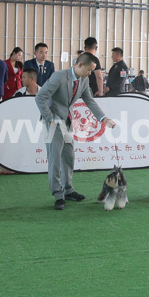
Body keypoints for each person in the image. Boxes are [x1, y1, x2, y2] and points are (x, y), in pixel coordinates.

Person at [35, 52, 116, 209]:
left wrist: (104, 119)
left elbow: (90, 101)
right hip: (53, 122)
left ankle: (68, 190)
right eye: (89, 70)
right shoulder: (59, 76)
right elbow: (40, 97)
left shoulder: (83, 80)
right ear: (79, 65)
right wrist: (50, 118)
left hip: (67, 121)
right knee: (55, 159)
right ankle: (58, 195)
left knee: (69, 157)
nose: (90, 73)